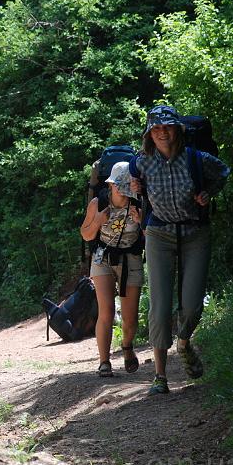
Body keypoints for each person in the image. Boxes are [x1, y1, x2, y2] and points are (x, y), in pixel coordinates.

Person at [129, 105, 230, 395]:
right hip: (159, 235)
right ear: (149, 134)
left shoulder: (197, 159)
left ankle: (184, 342)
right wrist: (134, 188)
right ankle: (160, 376)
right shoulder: (141, 163)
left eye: (168, 126)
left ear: (178, 129)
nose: (162, 132)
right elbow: (130, 188)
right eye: (156, 128)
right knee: (159, 307)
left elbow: (223, 172)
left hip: (195, 233)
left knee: (192, 304)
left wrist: (209, 193)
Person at [80, 161, 144, 377]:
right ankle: (104, 362)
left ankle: (127, 346)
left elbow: (153, 237)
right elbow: (86, 234)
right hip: (103, 257)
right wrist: (98, 220)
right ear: (110, 185)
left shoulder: (140, 202)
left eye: (126, 186)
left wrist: (141, 222)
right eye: (119, 186)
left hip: (131, 258)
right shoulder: (98, 203)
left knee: (130, 318)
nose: (122, 191)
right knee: (106, 310)